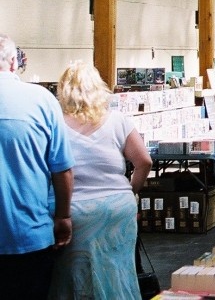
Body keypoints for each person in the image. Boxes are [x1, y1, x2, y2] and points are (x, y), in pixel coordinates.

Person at [49, 61, 153, 300]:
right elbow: (144, 161)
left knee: (75, 274)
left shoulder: (55, 124)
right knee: (118, 271)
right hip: (117, 209)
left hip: (75, 212)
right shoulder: (117, 120)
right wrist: (131, 190)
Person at [0, 34, 74, 300]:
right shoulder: (42, 100)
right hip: (29, 236)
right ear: (13, 62)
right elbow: (61, 170)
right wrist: (63, 217)